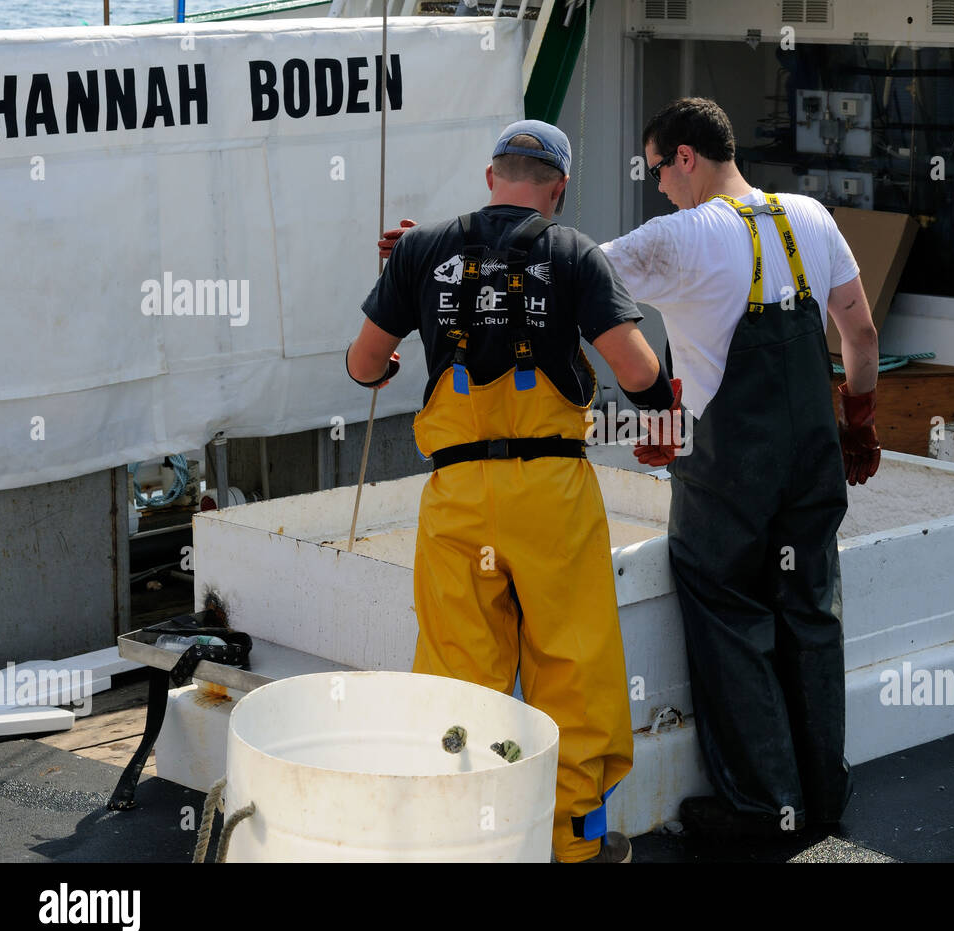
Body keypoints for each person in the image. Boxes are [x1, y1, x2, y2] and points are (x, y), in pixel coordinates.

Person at [347, 119, 677, 863]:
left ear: (491, 176)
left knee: (457, 677)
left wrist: (404, 334)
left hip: (457, 497)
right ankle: (574, 843)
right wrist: (663, 404)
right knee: (572, 667)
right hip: (551, 494)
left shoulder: (420, 251)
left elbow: (364, 363)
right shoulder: (575, 252)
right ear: (555, 189)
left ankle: (459, 841)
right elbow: (635, 369)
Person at [597, 97, 882, 837]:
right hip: (812, 457)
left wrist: (655, 402)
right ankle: (821, 795)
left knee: (729, 614)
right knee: (811, 612)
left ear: (685, 157)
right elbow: (860, 331)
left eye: (659, 169)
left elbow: (578, 283)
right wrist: (860, 423)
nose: (658, 185)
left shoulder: (681, 235)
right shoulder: (811, 217)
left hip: (730, 466)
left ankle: (763, 809)